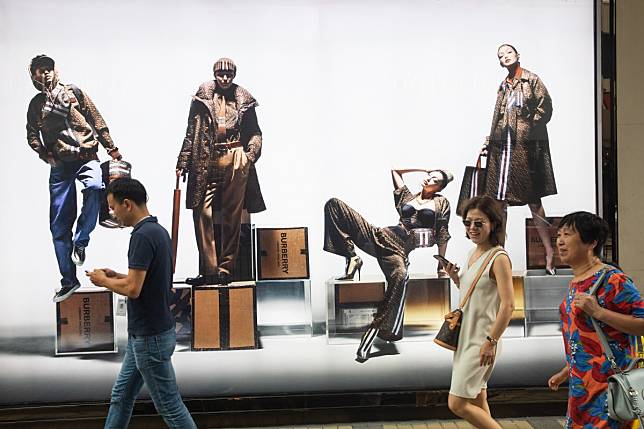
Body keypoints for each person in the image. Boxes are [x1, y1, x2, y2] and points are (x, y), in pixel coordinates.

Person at [86, 178, 197, 429]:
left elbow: (133, 290)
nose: (112, 214)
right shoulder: (157, 232)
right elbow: (147, 282)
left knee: (170, 406)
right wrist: (117, 276)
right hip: (149, 335)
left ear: (127, 204)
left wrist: (103, 281)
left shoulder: (141, 237)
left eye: (113, 208)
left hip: (149, 339)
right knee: (121, 398)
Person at [324, 168, 453, 362]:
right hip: (378, 235)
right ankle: (352, 257)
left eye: (435, 179)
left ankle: (372, 332)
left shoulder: (440, 203)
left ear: (440, 186)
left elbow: (442, 233)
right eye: (429, 175)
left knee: (400, 276)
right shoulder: (407, 197)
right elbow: (395, 171)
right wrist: (422, 168)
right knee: (334, 205)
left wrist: (441, 264)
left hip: (397, 251)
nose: (429, 179)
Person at [26, 54, 123, 302]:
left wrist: (111, 147)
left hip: (87, 156)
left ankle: (81, 241)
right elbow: (31, 134)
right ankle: (68, 281)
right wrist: (44, 154)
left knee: (94, 188)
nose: (45, 74)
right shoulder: (37, 105)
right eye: (39, 71)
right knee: (58, 226)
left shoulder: (74, 93)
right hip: (60, 165)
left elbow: (96, 118)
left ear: (55, 70)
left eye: (48, 68)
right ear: (33, 75)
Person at [547, 211, 644, 429]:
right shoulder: (575, 282)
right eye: (558, 235)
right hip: (580, 387)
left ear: (591, 242)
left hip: (609, 388)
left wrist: (599, 312)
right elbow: (584, 334)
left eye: (568, 234)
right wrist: (566, 370)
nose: (560, 241)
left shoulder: (613, 279)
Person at [176, 57, 264, 286]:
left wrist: (249, 155)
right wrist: (183, 160)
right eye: (221, 74)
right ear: (214, 73)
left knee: (232, 216)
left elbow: (255, 132)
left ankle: (226, 269)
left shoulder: (243, 98)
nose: (225, 78)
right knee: (201, 211)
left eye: (229, 74)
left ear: (234, 75)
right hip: (208, 157)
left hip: (236, 157)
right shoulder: (203, 96)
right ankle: (210, 269)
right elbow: (190, 131)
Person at [482, 43, 558, 274]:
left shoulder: (531, 80)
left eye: (508, 53)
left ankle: (549, 252)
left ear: (517, 55)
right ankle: (499, 255)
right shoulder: (503, 86)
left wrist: (527, 125)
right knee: (499, 202)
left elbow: (546, 108)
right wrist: (489, 140)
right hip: (502, 149)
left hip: (525, 149)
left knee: (534, 201)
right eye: (500, 55)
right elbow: (497, 116)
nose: (504, 57)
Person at [442, 196, 514, 429]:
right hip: (468, 337)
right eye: (467, 223)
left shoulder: (498, 257)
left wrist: (491, 341)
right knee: (478, 398)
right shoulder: (474, 253)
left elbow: (508, 305)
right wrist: (456, 277)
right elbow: (476, 293)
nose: (472, 228)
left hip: (482, 339)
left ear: (493, 223)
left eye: (478, 223)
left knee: (457, 403)